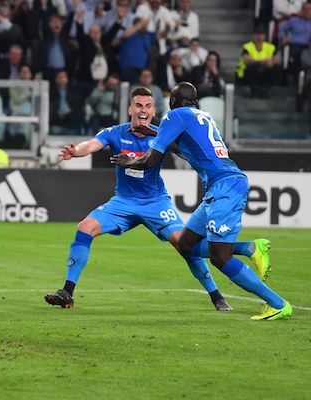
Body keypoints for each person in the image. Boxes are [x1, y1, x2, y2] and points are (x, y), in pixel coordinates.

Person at [46, 87, 250, 312]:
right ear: (130, 109)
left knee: (182, 244)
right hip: (123, 201)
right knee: (85, 228)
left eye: (148, 106)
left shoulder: (163, 133)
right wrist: (76, 151)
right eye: (139, 105)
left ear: (153, 111)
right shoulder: (115, 132)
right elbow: (92, 144)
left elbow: (189, 152)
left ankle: (216, 296)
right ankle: (67, 293)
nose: (143, 110)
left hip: (155, 202)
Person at [110, 82, 292, 321]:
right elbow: (186, 150)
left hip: (225, 187)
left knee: (220, 257)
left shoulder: (173, 115)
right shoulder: (203, 116)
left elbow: (150, 160)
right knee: (185, 244)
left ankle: (277, 303)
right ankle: (249, 248)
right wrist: (155, 132)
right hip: (220, 187)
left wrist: (128, 162)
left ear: (172, 103)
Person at [235, 27, 280, 98]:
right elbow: (246, 60)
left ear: (264, 36)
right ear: (254, 36)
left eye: (261, 35)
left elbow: (277, 60)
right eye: (257, 35)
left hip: (265, 71)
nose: (259, 37)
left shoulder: (271, 47)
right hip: (248, 73)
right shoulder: (247, 46)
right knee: (252, 67)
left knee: (275, 68)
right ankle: (253, 92)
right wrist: (263, 61)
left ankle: (267, 92)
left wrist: (270, 62)